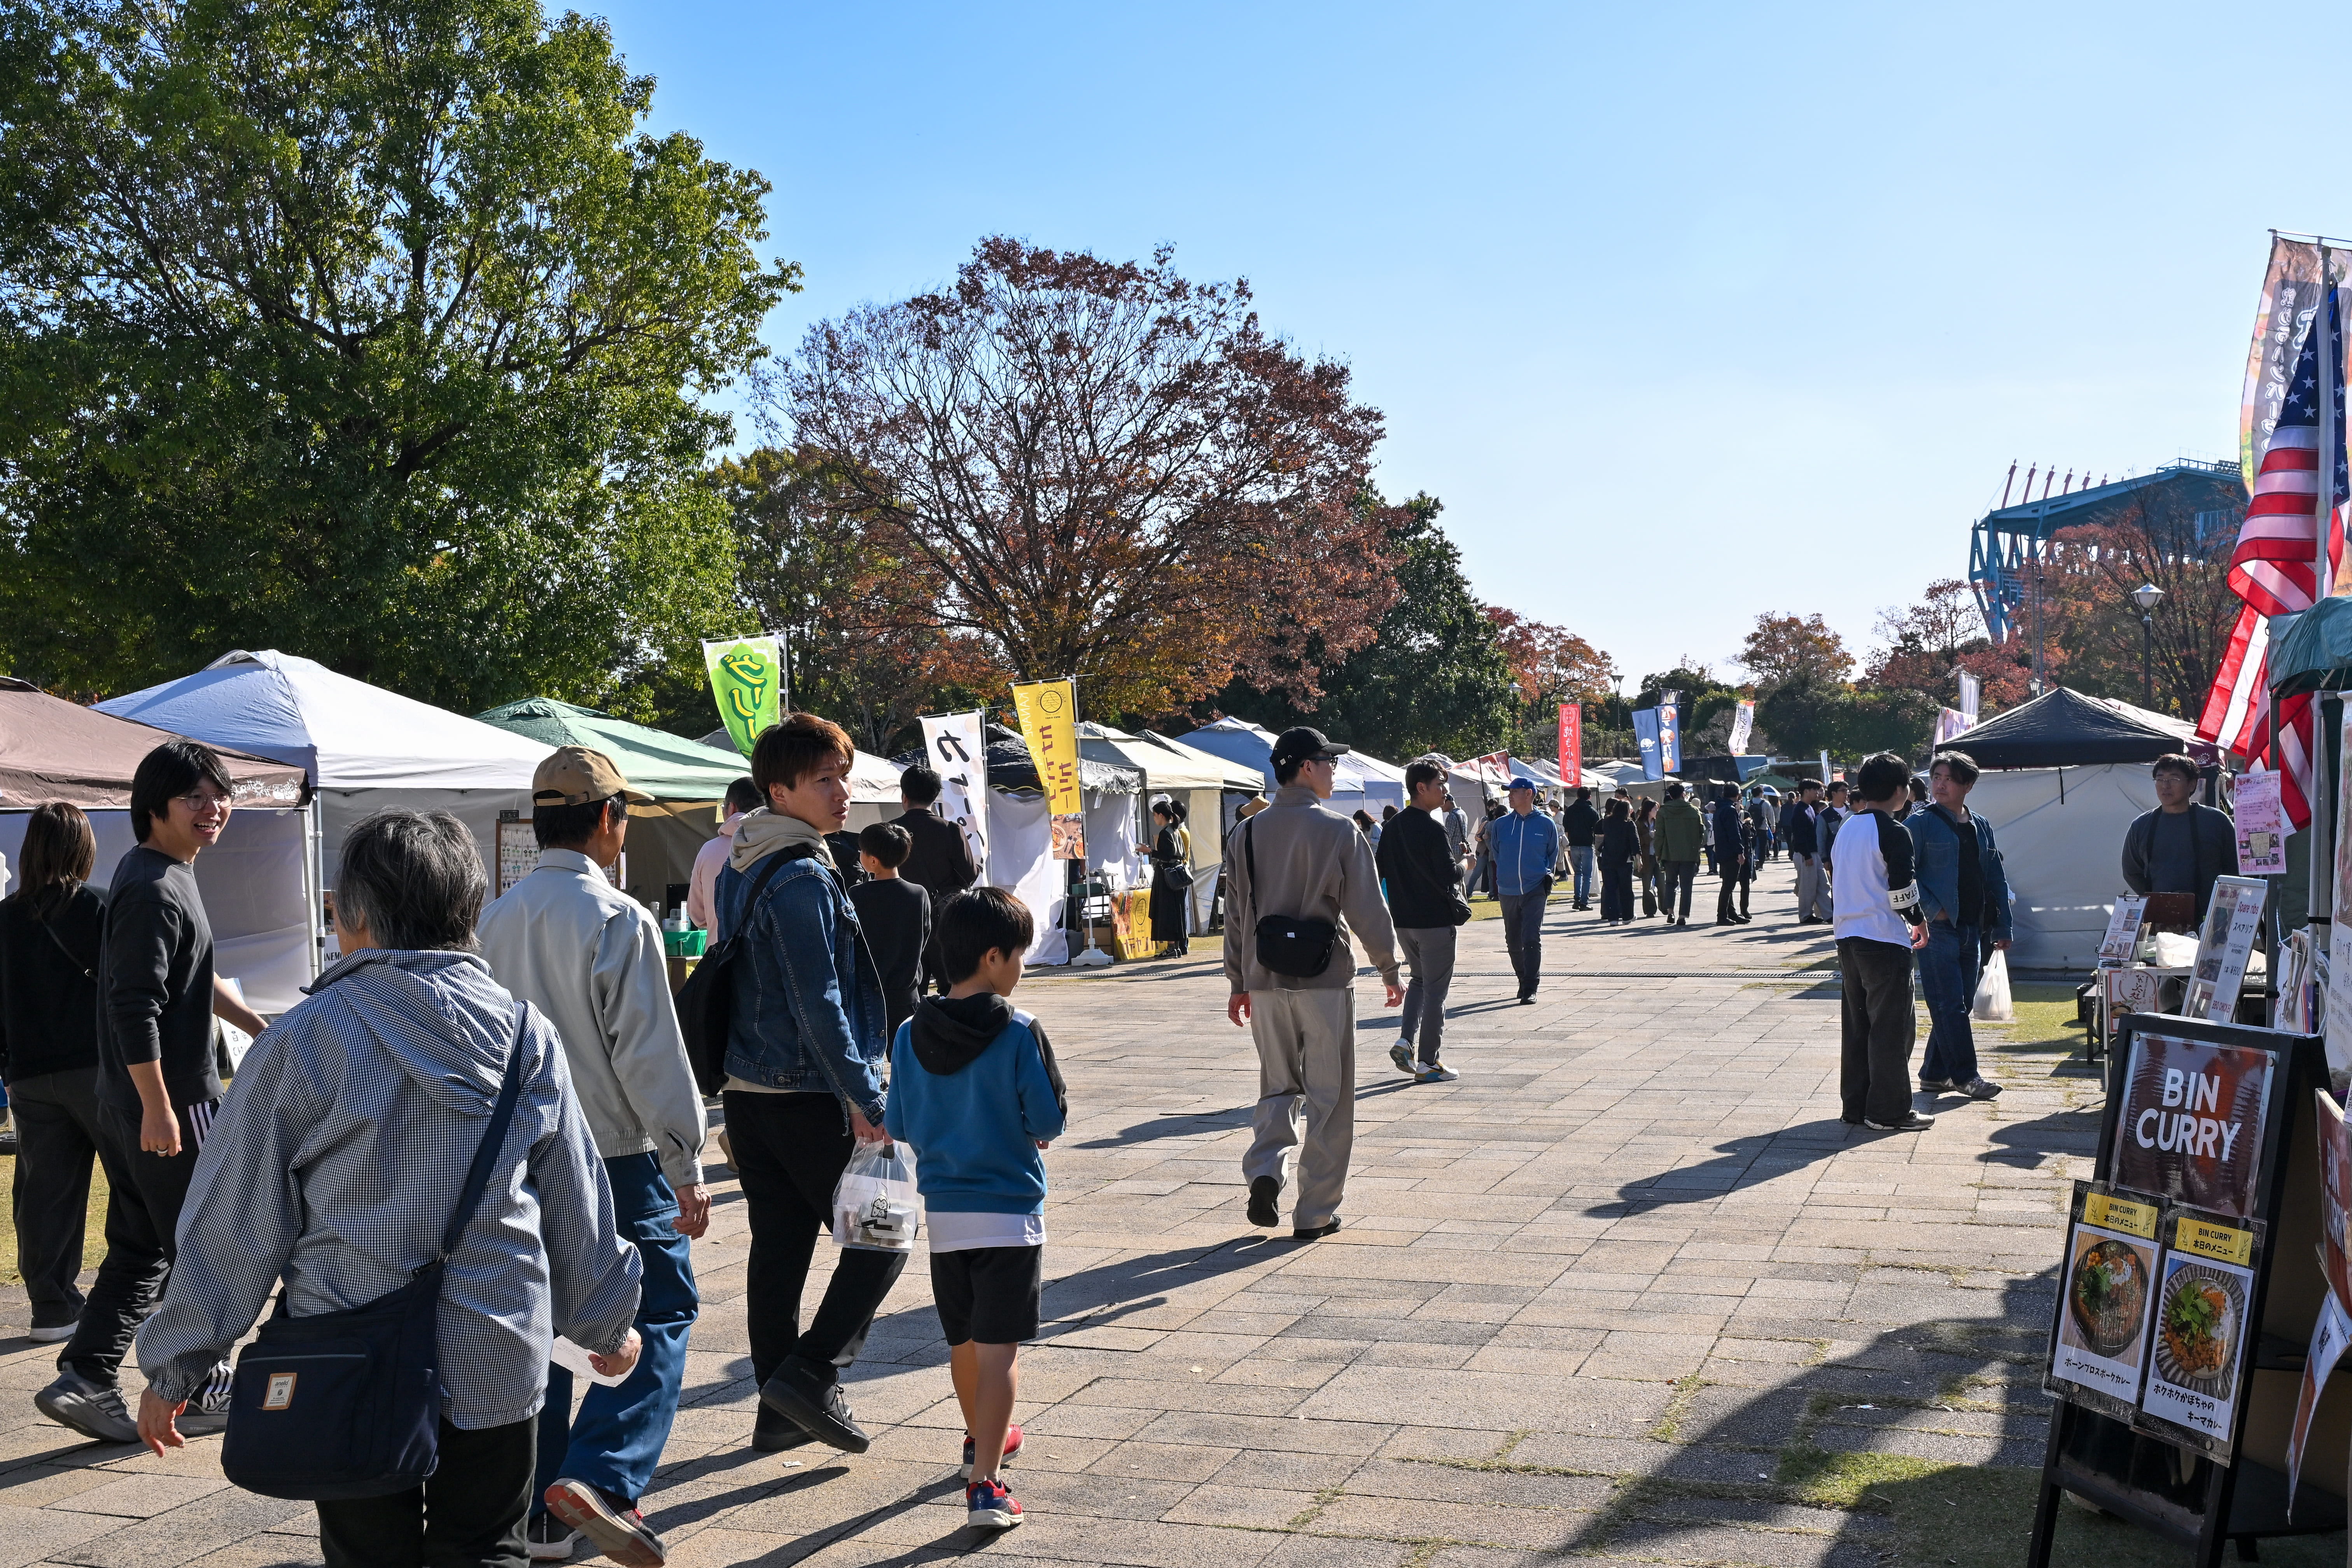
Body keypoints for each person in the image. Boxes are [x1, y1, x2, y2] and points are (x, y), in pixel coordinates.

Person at [130, 808, 646, 1568]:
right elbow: (575, 1194)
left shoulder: (300, 1042)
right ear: (469, 913)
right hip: (497, 1350)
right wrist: (605, 1321)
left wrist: (180, 1362)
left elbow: (234, 1220)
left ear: (357, 915)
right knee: (487, 1548)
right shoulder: (524, 1033)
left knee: (369, 1554)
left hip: (348, 1360)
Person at [476, 747, 709, 1567]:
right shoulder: (618, 917)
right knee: (659, 1312)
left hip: (520, 1157)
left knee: (551, 1331)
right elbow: (648, 1053)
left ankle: (544, 1516)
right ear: (609, 819)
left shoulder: (493, 920)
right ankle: (603, 1479)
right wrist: (686, 1162)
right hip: (613, 1153)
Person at [36, 741, 269, 1447]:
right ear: (154, 808)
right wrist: (162, 1105)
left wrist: (262, 1026)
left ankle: (85, 1373)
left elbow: (197, 978)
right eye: (194, 798)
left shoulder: (161, 874)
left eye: (219, 795)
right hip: (171, 1098)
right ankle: (198, 1384)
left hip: (138, 1098)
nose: (213, 808)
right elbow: (131, 1004)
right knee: (208, 1244)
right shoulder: (151, 886)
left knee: (143, 1244)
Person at [716, 714, 903, 1456]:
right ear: (780, 789)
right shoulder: (797, 874)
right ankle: (810, 1371)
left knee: (781, 1247)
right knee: (886, 1231)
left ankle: (775, 1410)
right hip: (803, 1094)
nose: (842, 792)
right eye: (824, 779)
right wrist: (864, 1095)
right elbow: (816, 999)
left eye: (843, 775)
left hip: (749, 1092)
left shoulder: (745, 860)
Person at [885, 887, 1068, 1534]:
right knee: (1000, 1354)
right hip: (1010, 1217)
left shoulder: (909, 1033)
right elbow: (1048, 1117)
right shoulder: (1019, 1030)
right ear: (993, 957)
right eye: (1017, 955)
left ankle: (978, 1437)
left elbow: (898, 1121)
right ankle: (986, 1485)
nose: (1020, 967)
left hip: (946, 1221)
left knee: (963, 1344)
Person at [1223, 727, 1403, 1240]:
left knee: (1277, 1084)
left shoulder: (1247, 833)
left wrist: (1237, 980)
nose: (1334, 771)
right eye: (1328, 762)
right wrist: (1389, 970)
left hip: (1263, 978)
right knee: (1330, 1096)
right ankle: (1315, 1212)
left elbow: (1236, 916)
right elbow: (1368, 909)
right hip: (1324, 978)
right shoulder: (1340, 831)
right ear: (1306, 767)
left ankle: (1265, 1170)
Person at [0, 803, 107, 1343]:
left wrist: (9, 1070)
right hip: (98, 1069)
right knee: (137, 1186)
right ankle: (134, 1292)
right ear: (83, 847)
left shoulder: (4, 917)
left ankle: (51, 1305)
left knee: (44, 1194)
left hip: (31, 1076)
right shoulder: (99, 908)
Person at [1833, 755, 1934, 1132]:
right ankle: (1889, 1110)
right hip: (1883, 938)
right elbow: (1902, 891)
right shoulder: (1894, 831)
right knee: (1891, 1028)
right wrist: (1920, 921)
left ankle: (1856, 1106)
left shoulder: (1847, 826)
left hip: (1847, 938)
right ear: (1900, 790)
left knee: (1858, 1027)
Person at [1910, 751, 2011, 1103]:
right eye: (1936, 777)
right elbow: (1902, 873)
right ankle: (1967, 1077)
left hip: (1974, 926)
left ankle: (1935, 1074)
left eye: (1949, 778)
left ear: (1967, 785)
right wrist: (1929, 909)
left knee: (1961, 1003)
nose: (1940, 784)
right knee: (1949, 1004)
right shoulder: (1920, 822)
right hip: (1937, 928)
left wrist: (2004, 926)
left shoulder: (1981, 824)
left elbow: (1995, 876)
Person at [1376, 758, 1467, 1083]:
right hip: (1434, 922)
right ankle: (1428, 1062)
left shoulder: (1391, 827)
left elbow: (1379, 871)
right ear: (1421, 788)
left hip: (1403, 921)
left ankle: (1405, 1041)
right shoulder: (1432, 828)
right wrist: (1465, 863)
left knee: (1418, 980)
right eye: (1440, 785)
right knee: (1436, 993)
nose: (1444, 791)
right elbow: (1449, 874)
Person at [893, 765, 981, 995]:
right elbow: (968, 876)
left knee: (909, 995)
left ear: (904, 796)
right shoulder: (950, 830)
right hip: (945, 921)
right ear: (935, 797)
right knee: (951, 992)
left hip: (903, 923)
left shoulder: (890, 832)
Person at [2121, 754, 2234, 922]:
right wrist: (2156, 900)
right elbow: (2131, 871)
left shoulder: (2216, 821)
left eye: (2174, 779)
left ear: (2192, 784)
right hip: (2161, 919)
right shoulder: (2142, 825)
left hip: (2211, 918)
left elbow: (2234, 869)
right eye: (2160, 779)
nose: (2165, 786)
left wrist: (2222, 907)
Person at [850, 824, 931, 1035]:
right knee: (904, 1060)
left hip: (866, 995)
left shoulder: (856, 895)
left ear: (873, 861)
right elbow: (924, 938)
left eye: (862, 851)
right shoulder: (918, 894)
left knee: (867, 1062)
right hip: (906, 996)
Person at [1489, 777, 1563, 1003]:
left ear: (1529, 794)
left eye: (1514, 791)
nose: (1510, 795)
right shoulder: (1501, 824)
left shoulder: (1546, 823)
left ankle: (1531, 986)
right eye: (1509, 792)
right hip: (1508, 889)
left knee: (1531, 936)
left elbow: (1553, 853)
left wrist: (1544, 875)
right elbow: (1497, 853)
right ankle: (1522, 979)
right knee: (1513, 939)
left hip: (1535, 888)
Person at [686, 777, 763, 938]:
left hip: (720, 954)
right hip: (766, 958)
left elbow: (698, 916)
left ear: (732, 808)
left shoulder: (709, 850)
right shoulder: (779, 843)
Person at [1136, 800, 1193, 960]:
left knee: (1167, 913)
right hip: (1177, 878)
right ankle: (1176, 947)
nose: (1154, 819)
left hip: (1167, 878)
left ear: (1161, 815)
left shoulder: (1166, 833)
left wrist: (1149, 851)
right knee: (1176, 913)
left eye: (1155, 816)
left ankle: (1171, 948)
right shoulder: (1176, 831)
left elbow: (1167, 856)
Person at [1653, 782, 1704, 928]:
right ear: (1683, 794)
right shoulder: (1694, 811)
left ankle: (1670, 912)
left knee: (1670, 883)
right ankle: (1683, 915)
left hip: (1670, 854)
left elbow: (1659, 836)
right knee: (1687, 886)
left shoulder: (1663, 812)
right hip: (1689, 854)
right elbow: (1702, 834)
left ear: (1670, 795)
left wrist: (1659, 853)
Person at [1781, 779, 1827, 922]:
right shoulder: (1800, 810)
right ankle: (1806, 915)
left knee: (1823, 884)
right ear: (1806, 791)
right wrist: (1807, 855)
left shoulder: (1809, 808)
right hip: (1805, 854)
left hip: (1814, 852)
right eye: (1815, 790)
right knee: (1808, 887)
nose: (1818, 793)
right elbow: (1799, 835)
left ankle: (1829, 914)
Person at [1711, 787, 1751, 926]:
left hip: (1722, 851)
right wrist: (1740, 852)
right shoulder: (1730, 810)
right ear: (1737, 795)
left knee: (1728, 884)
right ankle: (1722, 915)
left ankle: (1732, 913)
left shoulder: (1720, 808)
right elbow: (1734, 833)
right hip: (1731, 853)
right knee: (1729, 886)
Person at [1595, 797, 1638, 924]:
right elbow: (1635, 842)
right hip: (1624, 861)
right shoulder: (1629, 824)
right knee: (1626, 890)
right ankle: (1627, 916)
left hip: (1608, 860)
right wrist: (1639, 859)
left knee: (1611, 890)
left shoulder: (1607, 822)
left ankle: (1613, 918)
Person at [1560, 788, 1600, 911]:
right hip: (1587, 845)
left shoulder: (1571, 810)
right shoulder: (1592, 811)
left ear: (1577, 796)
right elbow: (1597, 830)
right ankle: (1584, 902)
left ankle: (1577, 899)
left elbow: (1566, 827)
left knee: (1578, 873)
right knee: (1587, 876)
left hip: (1574, 844)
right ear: (1590, 797)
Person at [1816, 780, 1849, 919]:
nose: (1846, 793)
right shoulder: (1826, 815)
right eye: (1843, 791)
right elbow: (1821, 838)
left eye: (1847, 790)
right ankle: (1838, 916)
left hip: (1854, 856)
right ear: (1834, 793)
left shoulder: (1852, 810)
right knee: (1837, 888)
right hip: (1835, 858)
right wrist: (1824, 859)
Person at [1634, 797, 1660, 918]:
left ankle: (1665, 907)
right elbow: (1637, 841)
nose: (1657, 811)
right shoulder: (1638, 824)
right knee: (1647, 885)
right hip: (1646, 857)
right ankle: (1650, 910)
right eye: (1655, 809)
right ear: (1649, 811)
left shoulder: (1659, 822)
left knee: (1662, 883)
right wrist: (1649, 835)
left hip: (1658, 856)